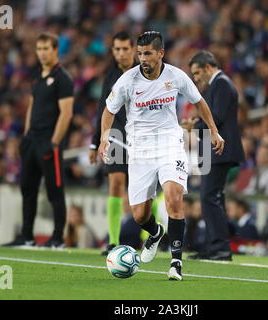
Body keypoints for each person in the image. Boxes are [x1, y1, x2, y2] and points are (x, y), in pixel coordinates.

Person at [98, 31, 224, 280]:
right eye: (140, 53)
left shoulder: (176, 76)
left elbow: (199, 102)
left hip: (169, 144)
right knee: (139, 215)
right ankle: (155, 232)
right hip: (140, 150)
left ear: (160, 53)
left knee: (174, 198)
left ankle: (176, 263)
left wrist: (214, 131)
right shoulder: (127, 80)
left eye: (147, 53)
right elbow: (109, 110)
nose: (142, 58)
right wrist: (104, 136)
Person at [3, 32, 74, 248]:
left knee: (55, 190)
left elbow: (66, 113)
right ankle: (27, 236)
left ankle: (57, 239)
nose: (42, 53)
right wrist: (26, 135)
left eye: (46, 49)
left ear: (55, 50)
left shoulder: (63, 78)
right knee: (28, 188)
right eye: (39, 49)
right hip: (32, 141)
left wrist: (54, 142)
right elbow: (32, 106)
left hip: (48, 141)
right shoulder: (37, 76)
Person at [185, 50, 245, 261]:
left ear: (208, 67)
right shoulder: (219, 84)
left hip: (220, 150)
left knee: (210, 197)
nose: (196, 78)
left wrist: (197, 125)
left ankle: (219, 248)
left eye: (197, 72)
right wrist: (197, 124)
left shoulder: (221, 84)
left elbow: (216, 117)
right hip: (215, 151)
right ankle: (214, 246)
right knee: (211, 198)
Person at [89, 32, 137, 255]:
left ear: (133, 49)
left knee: (146, 190)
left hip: (142, 136)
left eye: (125, 49)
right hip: (117, 136)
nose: (121, 53)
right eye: (117, 49)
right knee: (116, 185)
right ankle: (113, 241)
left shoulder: (144, 72)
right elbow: (102, 109)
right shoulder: (111, 75)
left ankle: (150, 239)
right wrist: (94, 142)